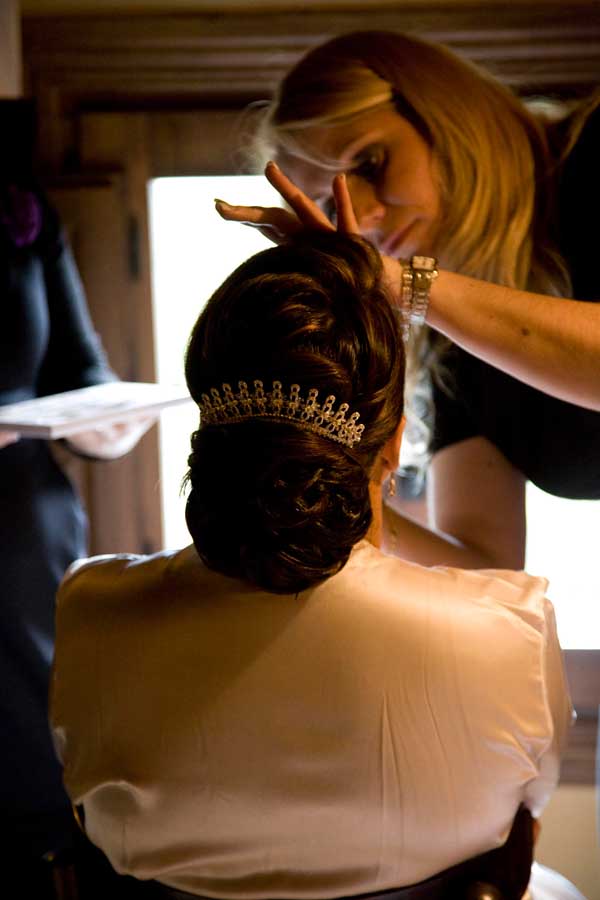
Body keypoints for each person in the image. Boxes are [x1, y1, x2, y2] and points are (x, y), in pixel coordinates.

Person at [50, 228, 580, 899]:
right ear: (393, 446)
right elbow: (525, 808)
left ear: (208, 437)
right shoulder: (510, 628)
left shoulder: (93, 610)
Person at [214, 30, 600, 572]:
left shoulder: (591, 153)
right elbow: (484, 565)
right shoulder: (453, 351)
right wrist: (336, 495)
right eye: (334, 205)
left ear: (441, 106)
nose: (366, 217)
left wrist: (402, 284)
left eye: (369, 163)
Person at [0, 98, 152, 887]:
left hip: (22, 529)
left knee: (38, 769)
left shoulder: (20, 212)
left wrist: (109, 421)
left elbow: (80, 367)